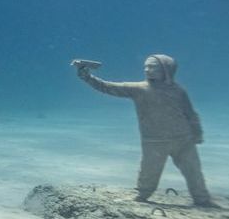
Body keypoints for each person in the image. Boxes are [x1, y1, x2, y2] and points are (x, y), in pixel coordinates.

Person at [76, 55, 213, 206]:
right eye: (145, 67)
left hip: (184, 140)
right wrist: (87, 77)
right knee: (148, 172)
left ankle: (202, 199)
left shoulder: (178, 90)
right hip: (154, 141)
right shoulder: (139, 89)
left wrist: (197, 132)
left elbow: (190, 113)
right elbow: (107, 87)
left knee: (194, 172)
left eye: (152, 66)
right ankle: (142, 195)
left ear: (166, 69)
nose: (147, 70)